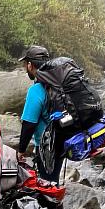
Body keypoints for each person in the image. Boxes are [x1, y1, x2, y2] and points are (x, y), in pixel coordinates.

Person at [16, 45, 67, 183]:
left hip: (47, 146)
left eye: (26, 64)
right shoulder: (59, 84)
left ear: (30, 65)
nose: (26, 67)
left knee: (47, 185)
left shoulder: (36, 90)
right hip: (62, 141)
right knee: (53, 180)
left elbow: (28, 125)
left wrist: (21, 151)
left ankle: (54, 203)